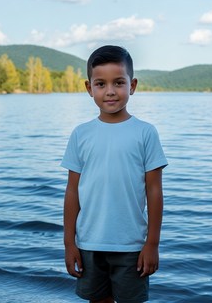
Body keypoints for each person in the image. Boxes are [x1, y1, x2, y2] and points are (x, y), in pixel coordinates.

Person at [62, 45, 168, 303]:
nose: (110, 91)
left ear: (132, 86)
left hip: (131, 245)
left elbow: (154, 190)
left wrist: (152, 244)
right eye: (101, 84)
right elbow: (72, 191)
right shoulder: (81, 134)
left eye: (118, 82)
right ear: (89, 88)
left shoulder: (145, 133)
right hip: (89, 242)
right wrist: (69, 243)